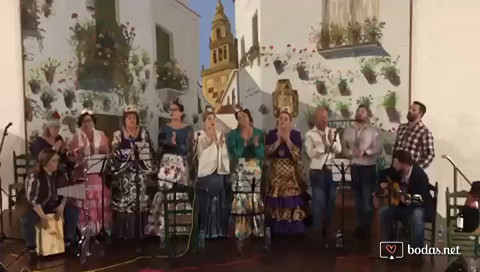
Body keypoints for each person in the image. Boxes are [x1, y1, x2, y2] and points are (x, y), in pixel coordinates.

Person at [21, 149, 79, 266]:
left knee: (72, 211)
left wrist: (62, 206)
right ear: (45, 162)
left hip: (55, 204)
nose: (57, 163)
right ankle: (32, 248)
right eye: (54, 161)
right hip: (38, 206)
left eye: (57, 160)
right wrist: (42, 216)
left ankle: (68, 242)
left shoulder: (61, 172)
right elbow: (32, 199)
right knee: (27, 220)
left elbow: (66, 191)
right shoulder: (35, 174)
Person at [145, 99, 193, 241]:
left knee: (179, 193)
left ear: (181, 112)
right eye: (171, 110)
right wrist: (167, 145)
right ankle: (161, 229)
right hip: (166, 164)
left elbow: (187, 148)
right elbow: (160, 150)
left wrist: (175, 144)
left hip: (180, 164)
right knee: (164, 194)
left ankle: (179, 228)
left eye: (175, 110)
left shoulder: (188, 128)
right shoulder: (164, 128)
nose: (172, 112)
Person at [378, 150, 434, 266]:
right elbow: (383, 174)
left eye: (396, 162)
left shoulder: (419, 175)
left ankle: (416, 254)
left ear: (403, 163)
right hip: (402, 206)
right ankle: (391, 245)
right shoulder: (397, 171)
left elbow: (421, 198)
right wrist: (382, 183)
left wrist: (407, 200)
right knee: (383, 213)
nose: (393, 164)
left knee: (416, 216)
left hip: (420, 206)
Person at [111, 105, 155, 239]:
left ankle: (140, 232)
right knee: (126, 187)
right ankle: (126, 233)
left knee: (141, 191)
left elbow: (150, 151)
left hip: (139, 169)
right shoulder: (119, 134)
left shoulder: (143, 133)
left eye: (134, 117)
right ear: (124, 120)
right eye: (129, 117)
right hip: (124, 171)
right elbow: (114, 154)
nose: (132, 120)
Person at [265, 108, 308, 234]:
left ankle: (292, 228)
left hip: (290, 173)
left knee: (290, 200)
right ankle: (277, 227)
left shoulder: (295, 134)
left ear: (290, 121)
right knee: (277, 199)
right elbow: (267, 153)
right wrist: (278, 140)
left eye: (286, 119)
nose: (283, 121)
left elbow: (297, 156)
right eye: (281, 119)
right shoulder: (272, 134)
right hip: (276, 172)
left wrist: (287, 140)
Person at [68, 109, 111, 234]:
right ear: (81, 123)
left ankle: (99, 228)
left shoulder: (100, 134)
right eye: (85, 121)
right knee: (83, 197)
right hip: (82, 172)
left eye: (90, 120)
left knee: (99, 193)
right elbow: (71, 156)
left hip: (96, 171)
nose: (87, 123)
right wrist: (78, 155)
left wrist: (104, 149)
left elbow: (107, 152)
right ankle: (85, 228)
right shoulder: (77, 135)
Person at [343, 105, 381, 239]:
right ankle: (361, 225)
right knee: (358, 198)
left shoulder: (373, 131)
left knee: (367, 198)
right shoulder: (348, 130)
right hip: (354, 166)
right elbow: (344, 148)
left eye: (363, 111)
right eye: (358, 111)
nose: (359, 113)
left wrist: (366, 152)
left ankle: (367, 227)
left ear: (368, 115)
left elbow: (378, 149)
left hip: (368, 167)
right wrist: (351, 152)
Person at [227, 106, 265, 241]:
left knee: (254, 199)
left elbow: (262, 154)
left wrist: (255, 146)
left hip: (254, 167)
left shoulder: (259, 133)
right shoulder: (233, 135)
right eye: (239, 118)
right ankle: (243, 230)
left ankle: (257, 228)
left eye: (244, 116)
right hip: (241, 168)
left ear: (249, 117)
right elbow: (235, 154)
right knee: (242, 199)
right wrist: (246, 144)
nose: (241, 119)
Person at [304, 107, 342, 241]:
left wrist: (332, 141)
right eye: (321, 117)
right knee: (318, 200)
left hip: (331, 170)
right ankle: (317, 230)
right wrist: (323, 147)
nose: (324, 120)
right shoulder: (310, 134)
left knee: (330, 201)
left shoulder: (333, 132)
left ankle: (328, 229)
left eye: (326, 117)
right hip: (317, 171)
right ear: (316, 119)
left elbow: (338, 149)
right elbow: (310, 152)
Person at [195, 106, 230, 239]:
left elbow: (224, 155)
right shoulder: (200, 136)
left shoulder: (220, 135)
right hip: (206, 174)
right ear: (204, 121)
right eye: (209, 119)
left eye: (214, 119)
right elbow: (200, 156)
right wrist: (213, 145)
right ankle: (206, 230)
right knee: (206, 201)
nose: (212, 121)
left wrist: (220, 146)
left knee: (220, 196)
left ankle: (219, 230)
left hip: (217, 172)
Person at [393, 101, 435, 169]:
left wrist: (416, 169)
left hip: (411, 173)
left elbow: (430, 155)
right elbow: (396, 147)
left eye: (413, 110)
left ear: (420, 114)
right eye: (410, 108)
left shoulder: (424, 132)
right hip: (397, 169)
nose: (410, 111)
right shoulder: (402, 127)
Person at [29, 111, 72, 176]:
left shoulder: (59, 138)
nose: (57, 129)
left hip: (59, 166)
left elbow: (63, 158)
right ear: (47, 128)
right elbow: (41, 160)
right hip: (45, 170)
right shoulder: (38, 142)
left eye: (58, 127)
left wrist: (63, 149)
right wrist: (54, 149)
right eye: (54, 127)